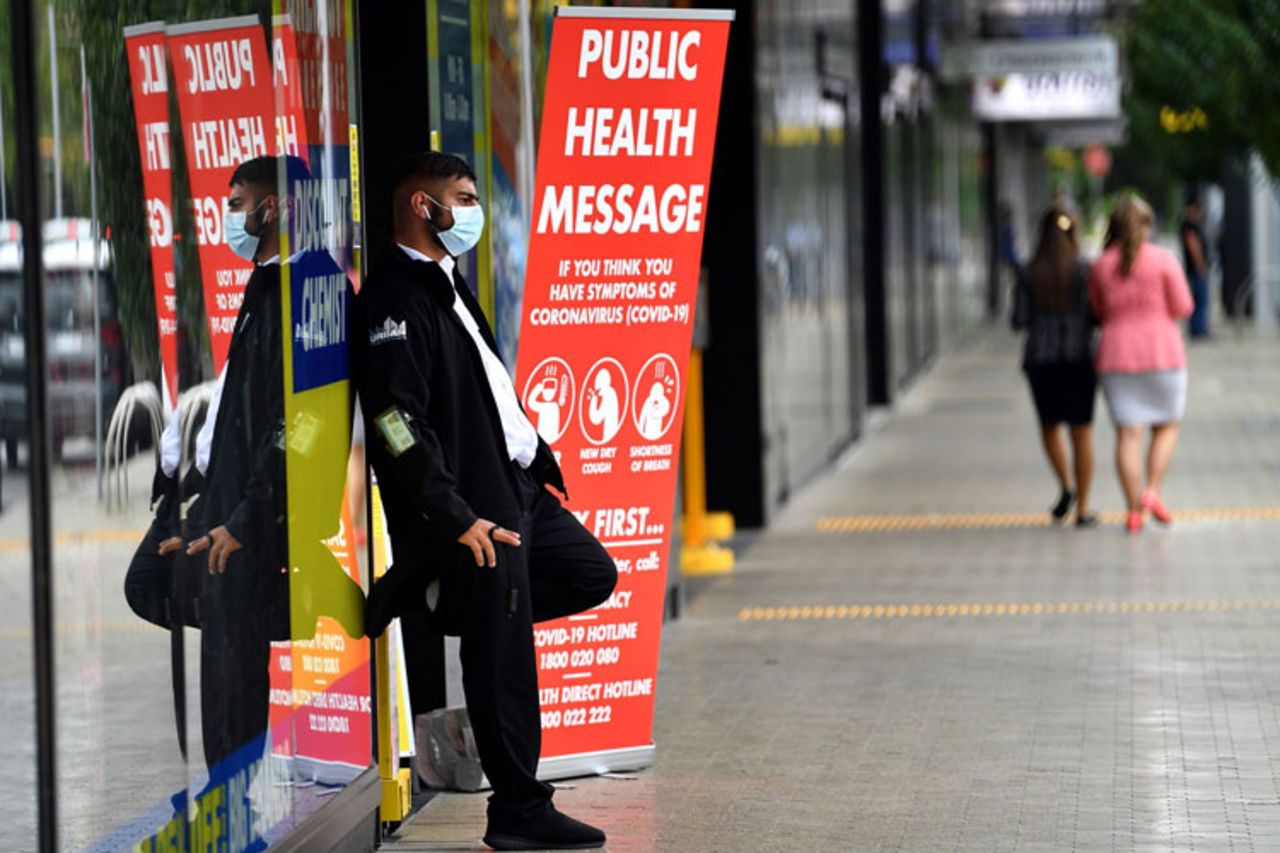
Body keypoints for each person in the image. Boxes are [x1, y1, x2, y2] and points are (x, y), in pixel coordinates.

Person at [356, 151, 616, 851]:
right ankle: (519, 808)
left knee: (593, 573)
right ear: (422, 206)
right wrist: (455, 517)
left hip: (518, 490)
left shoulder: (445, 283)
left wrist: (537, 460)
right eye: (462, 197)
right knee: (500, 649)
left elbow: (484, 391)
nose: (471, 211)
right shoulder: (393, 300)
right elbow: (392, 423)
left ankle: (438, 591)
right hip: (476, 509)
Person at [1089, 196, 1194, 534]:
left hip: (1116, 357)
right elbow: (1183, 307)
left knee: (1128, 435)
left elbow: (1098, 310)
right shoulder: (1165, 260)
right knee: (1167, 425)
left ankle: (1133, 510)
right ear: (1147, 226)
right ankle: (1153, 491)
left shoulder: (1101, 265)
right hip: (1163, 354)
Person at [1012, 208, 1098, 527]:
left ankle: (1066, 486)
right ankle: (1084, 509)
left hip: (1041, 359)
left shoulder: (1027, 270)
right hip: (1079, 358)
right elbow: (1097, 313)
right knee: (1082, 433)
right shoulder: (1084, 270)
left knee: (1049, 427)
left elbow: (1018, 319)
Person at [1180, 193, 1211, 338]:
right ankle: (1198, 330)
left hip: (1195, 269)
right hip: (1196, 269)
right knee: (1200, 299)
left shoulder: (1191, 225)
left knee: (1199, 299)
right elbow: (1193, 247)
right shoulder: (1189, 226)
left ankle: (1198, 328)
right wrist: (1201, 266)